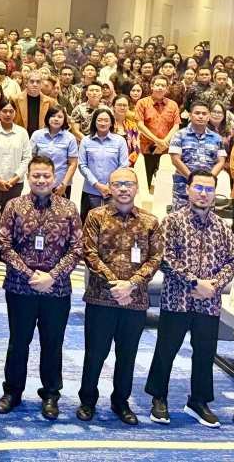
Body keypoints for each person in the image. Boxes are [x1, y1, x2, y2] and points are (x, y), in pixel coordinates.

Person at [144, 170, 234, 428]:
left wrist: (214, 285)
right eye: (198, 187)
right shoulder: (173, 221)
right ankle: (159, 397)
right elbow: (164, 258)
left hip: (209, 302)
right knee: (166, 349)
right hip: (177, 299)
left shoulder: (222, 226)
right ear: (188, 189)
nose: (203, 194)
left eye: (209, 189)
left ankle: (198, 401)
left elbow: (233, 260)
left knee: (205, 353)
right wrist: (195, 282)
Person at [0, 155, 83, 421]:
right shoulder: (14, 206)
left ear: (54, 178)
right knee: (18, 342)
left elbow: (77, 249)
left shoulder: (69, 208)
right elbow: (4, 246)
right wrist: (30, 274)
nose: (41, 180)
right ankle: (12, 392)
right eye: (36, 175)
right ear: (28, 177)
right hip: (20, 288)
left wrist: (52, 276)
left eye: (46, 175)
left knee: (52, 344)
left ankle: (51, 395)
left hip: (56, 290)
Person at [76, 167, 163, 425]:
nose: (123, 189)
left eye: (128, 184)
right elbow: (89, 253)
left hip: (134, 301)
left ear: (137, 188)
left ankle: (121, 402)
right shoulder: (96, 216)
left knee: (127, 355)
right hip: (101, 298)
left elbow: (156, 258)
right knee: (95, 354)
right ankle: (87, 401)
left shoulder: (150, 221)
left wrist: (131, 285)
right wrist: (116, 285)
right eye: (117, 184)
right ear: (109, 188)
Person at [169, 100, 227, 209]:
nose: (201, 116)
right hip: (183, 189)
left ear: (209, 116)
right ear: (190, 115)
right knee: (180, 218)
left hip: (207, 191)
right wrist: (193, 179)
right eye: (197, 113)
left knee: (206, 218)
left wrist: (208, 179)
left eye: (204, 114)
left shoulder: (217, 138)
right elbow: (175, 160)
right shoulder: (179, 135)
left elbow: (221, 161)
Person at [0, 100, 32, 222]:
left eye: (11, 111)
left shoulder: (22, 133)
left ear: (15, 113)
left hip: (15, 184)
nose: (8, 114)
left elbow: (27, 158)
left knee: (10, 218)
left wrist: (15, 179)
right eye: (4, 111)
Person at [77, 108, 131, 222]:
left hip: (114, 191)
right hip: (90, 191)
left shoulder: (120, 141)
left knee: (113, 225)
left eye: (106, 120)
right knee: (88, 224)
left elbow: (123, 165)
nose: (103, 123)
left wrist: (109, 185)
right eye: (99, 120)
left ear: (111, 123)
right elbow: (82, 165)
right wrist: (97, 185)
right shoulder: (86, 141)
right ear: (94, 122)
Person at [134, 76, 181, 193]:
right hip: (147, 150)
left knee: (165, 184)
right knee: (145, 183)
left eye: (163, 85)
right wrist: (157, 141)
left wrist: (164, 142)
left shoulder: (173, 104)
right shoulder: (142, 103)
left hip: (166, 150)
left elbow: (176, 126)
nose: (160, 88)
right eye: (157, 85)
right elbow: (140, 124)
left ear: (167, 88)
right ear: (152, 86)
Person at [30, 106, 79, 198]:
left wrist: (64, 184)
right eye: (53, 116)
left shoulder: (70, 138)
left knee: (62, 207)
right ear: (48, 117)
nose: (56, 119)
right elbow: (30, 159)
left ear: (64, 119)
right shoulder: (37, 135)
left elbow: (73, 164)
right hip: (40, 183)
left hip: (61, 185)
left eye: (60, 117)